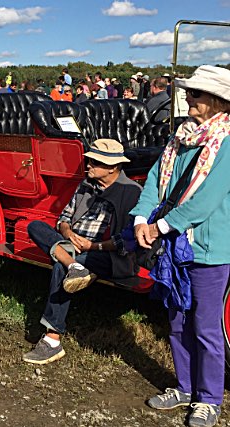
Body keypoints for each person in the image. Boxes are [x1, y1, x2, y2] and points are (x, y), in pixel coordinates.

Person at [131, 65, 230, 427]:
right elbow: (156, 181)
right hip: (172, 246)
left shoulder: (227, 143)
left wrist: (158, 226)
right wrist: (141, 219)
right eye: (190, 92)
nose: (189, 98)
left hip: (208, 249)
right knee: (176, 322)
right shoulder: (181, 138)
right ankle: (185, 387)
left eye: (197, 94)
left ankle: (209, 400)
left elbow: (206, 200)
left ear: (219, 101)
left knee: (205, 328)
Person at [23, 139, 141, 364]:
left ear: (113, 167)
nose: (88, 166)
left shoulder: (132, 193)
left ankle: (52, 339)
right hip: (73, 245)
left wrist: (92, 246)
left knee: (60, 266)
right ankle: (74, 266)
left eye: (95, 162)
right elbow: (64, 218)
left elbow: (127, 241)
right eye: (89, 160)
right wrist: (67, 233)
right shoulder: (85, 185)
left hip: (107, 255)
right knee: (34, 226)